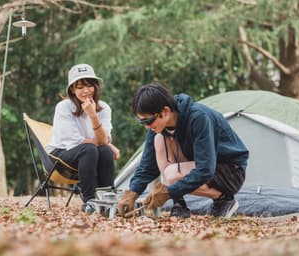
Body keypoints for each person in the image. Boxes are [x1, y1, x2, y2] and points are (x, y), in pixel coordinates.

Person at [118, 84, 248, 218]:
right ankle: (179, 204)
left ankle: (223, 199)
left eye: (149, 121)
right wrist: (132, 192)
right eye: (142, 122)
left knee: (172, 174)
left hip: (231, 172)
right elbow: (147, 166)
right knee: (159, 139)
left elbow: (205, 169)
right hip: (203, 167)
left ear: (166, 111)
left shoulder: (199, 118)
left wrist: (169, 191)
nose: (146, 126)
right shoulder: (157, 127)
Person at [46, 63, 120, 213]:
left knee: (104, 151)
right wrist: (106, 143)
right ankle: (89, 201)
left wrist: (93, 115)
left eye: (89, 85)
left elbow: (103, 142)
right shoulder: (64, 107)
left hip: (87, 152)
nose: (86, 91)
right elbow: (77, 142)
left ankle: (107, 199)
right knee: (90, 149)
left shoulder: (104, 108)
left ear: (95, 86)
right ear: (72, 90)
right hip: (59, 156)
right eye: (80, 87)